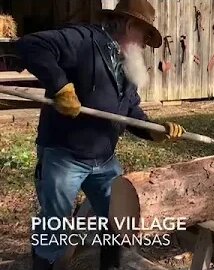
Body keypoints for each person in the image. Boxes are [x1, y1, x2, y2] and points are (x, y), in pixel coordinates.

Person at [16, 0, 184, 269]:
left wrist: (155, 131)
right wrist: (60, 86)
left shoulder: (127, 66)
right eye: (144, 36)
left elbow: (130, 112)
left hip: (104, 162)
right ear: (130, 25)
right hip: (64, 157)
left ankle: (110, 266)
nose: (143, 46)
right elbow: (31, 45)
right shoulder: (83, 40)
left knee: (117, 220)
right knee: (54, 225)